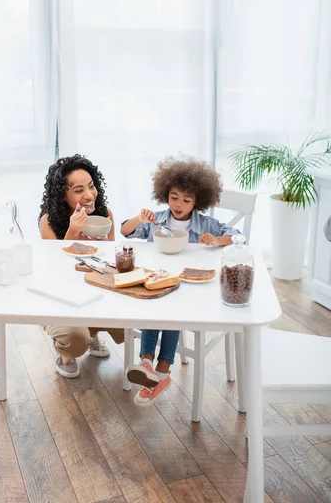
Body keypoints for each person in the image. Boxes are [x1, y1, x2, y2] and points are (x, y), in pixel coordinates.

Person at [121, 156, 240, 406]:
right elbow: (124, 231)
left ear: (198, 201)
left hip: (191, 291)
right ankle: (147, 366)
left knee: (171, 310)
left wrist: (218, 241)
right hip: (160, 285)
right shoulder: (157, 221)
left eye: (187, 200)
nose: (179, 204)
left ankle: (161, 371)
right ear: (166, 194)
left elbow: (238, 236)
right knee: (159, 305)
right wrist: (139, 219)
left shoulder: (206, 224)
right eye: (174, 197)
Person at [39, 154, 123, 378]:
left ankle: (91, 331)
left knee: (131, 325)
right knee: (76, 340)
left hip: (95, 289)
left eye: (91, 186)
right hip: (60, 296)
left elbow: (111, 263)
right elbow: (56, 269)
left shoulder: (105, 216)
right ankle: (66, 353)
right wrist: (73, 231)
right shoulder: (48, 221)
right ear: (62, 195)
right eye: (78, 190)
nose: (88, 195)